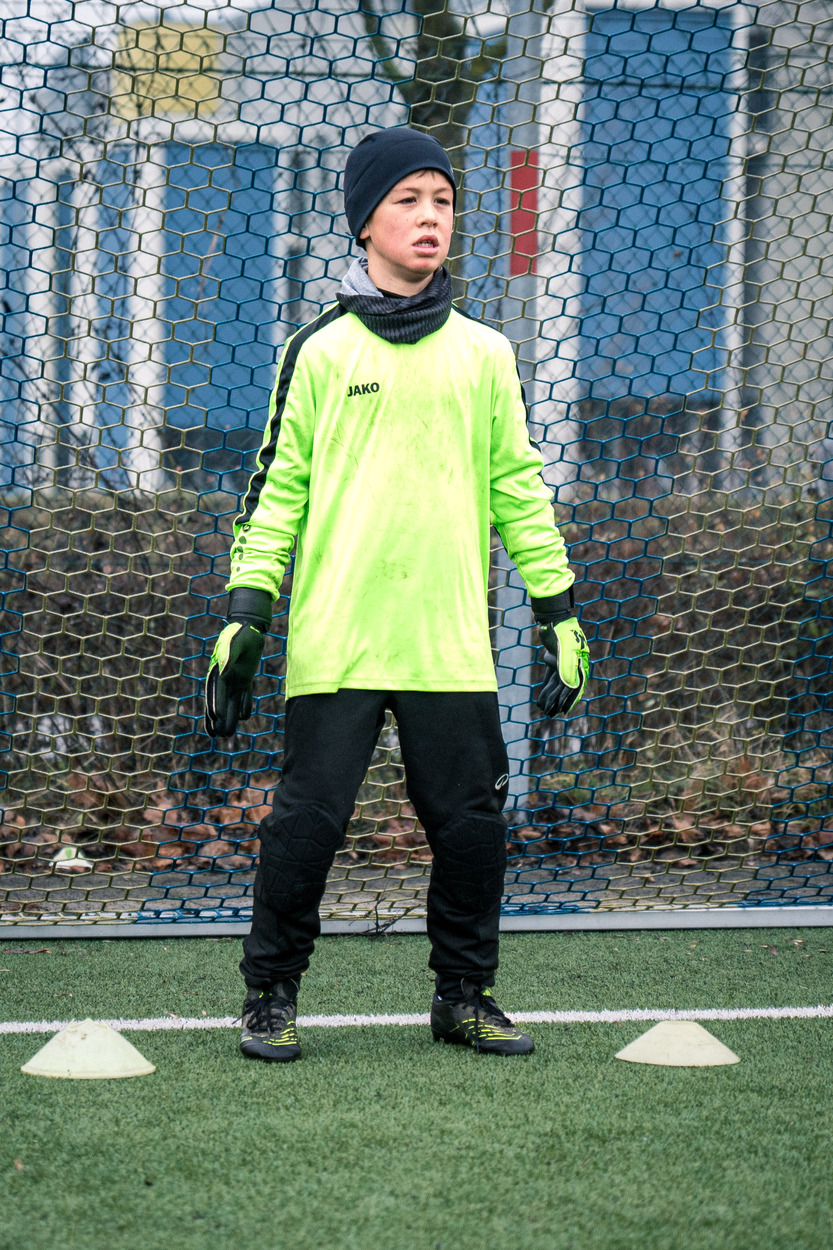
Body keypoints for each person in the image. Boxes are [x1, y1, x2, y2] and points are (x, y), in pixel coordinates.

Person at [204, 127, 589, 1062]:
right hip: (338, 636)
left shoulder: (485, 354)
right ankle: (269, 997)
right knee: (306, 826)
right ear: (364, 221)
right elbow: (276, 490)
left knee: (471, 828)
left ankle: (463, 996)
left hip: (446, 643)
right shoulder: (318, 350)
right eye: (407, 200)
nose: (429, 217)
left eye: (442, 201)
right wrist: (247, 613)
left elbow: (518, 488)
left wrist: (557, 608)